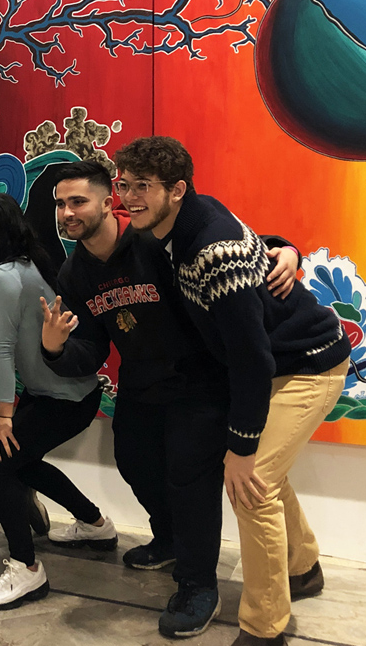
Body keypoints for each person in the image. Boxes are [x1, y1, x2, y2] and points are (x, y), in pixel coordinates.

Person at [40, 160, 301, 639]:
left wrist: (284, 250)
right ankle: (171, 540)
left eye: (77, 201)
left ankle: (199, 583)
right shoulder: (74, 273)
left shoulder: (151, 241)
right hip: (142, 384)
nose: (67, 212)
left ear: (105, 201)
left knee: (189, 478)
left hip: (199, 381)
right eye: (60, 204)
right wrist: (55, 346)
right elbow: (93, 348)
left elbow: (226, 243)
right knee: (134, 460)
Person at [111, 137, 349, 646]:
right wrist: (285, 247)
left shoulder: (210, 249)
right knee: (267, 475)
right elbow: (253, 242)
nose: (128, 197)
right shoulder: (187, 220)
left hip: (308, 366)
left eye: (142, 187)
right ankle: (303, 569)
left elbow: (251, 359)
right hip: (279, 364)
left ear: (176, 191)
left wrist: (239, 448)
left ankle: (265, 629)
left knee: (252, 483)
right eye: (124, 184)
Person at [0, 193, 111, 610]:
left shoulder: (3, 276)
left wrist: (4, 417)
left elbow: (4, 349)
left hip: (65, 397)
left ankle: (27, 569)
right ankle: (95, 523)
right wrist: (3, 410)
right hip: (63, 393)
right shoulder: (25, 265)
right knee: (21, 462)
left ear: (7, 232)